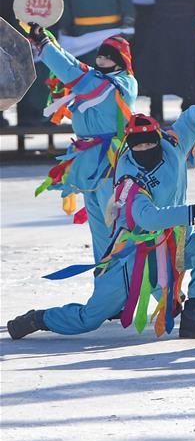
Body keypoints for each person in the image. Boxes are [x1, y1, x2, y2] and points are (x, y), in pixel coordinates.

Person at [6, 107, 195, 340]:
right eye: (137, 147)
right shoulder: (128, 175)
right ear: (129, 146)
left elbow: (189, 119)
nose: (143, 150)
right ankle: (39, 318)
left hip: (177, 243)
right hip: (135, 258)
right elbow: (148, 217)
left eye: (148, 144)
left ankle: (193, 316)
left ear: (158, 139)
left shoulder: (173, 145)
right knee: (89, 318)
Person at [27, 23, 138, 263]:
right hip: (88, 162)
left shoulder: (121, 83)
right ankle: (104, 282)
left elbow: (72, 73)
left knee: (117, 229)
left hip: (113, 163)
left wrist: (45, 46)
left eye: (107, 55)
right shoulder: (96, 78)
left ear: (120, 61)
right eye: (99, 53)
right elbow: (74, 66)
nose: (100, 58)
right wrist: (46, 40)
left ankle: (127, 281)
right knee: (99, 231)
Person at [13, 0, 59, 127]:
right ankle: (46, 113)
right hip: (48, 28)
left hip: (27, 30)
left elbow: (19, 6)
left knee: (32, 72)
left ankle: (31, 114)